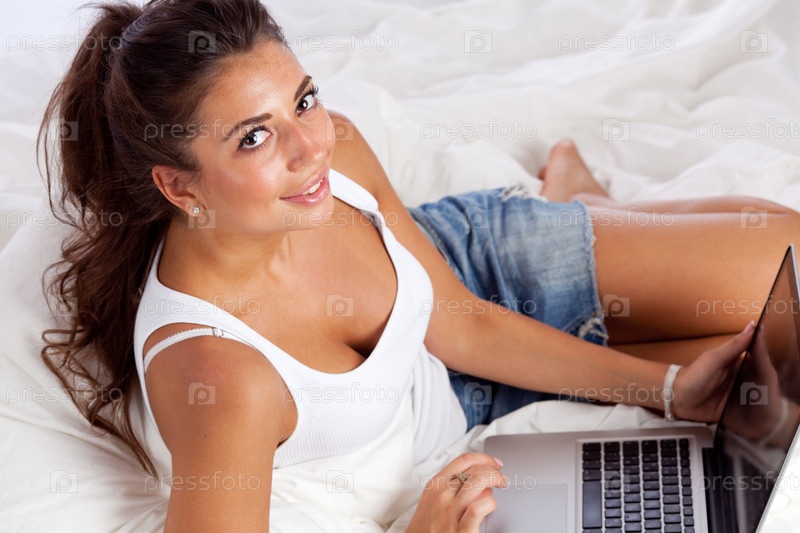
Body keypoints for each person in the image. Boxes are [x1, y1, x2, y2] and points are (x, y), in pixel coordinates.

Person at [37, 0, 799, 530]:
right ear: (179, 187)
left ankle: (570, 195)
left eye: (303, 99)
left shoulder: (336, 153)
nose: (311, 149)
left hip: (470, 269)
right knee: (772, 379)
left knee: (787, 279)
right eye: (254, 137)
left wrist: (668, 390)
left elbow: (461, 323)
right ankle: (585, 205)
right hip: (469, 412)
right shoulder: (220, 377)